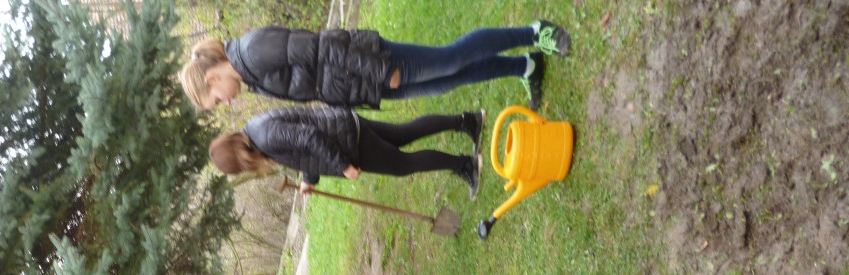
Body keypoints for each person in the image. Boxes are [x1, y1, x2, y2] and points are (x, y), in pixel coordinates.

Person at [180, 23, 571, 113]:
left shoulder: (254, 51)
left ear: (212, 77)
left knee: (451, 58)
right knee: (447, 81)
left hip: (370, 64)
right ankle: (525, 66)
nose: (226, 103)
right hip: (361, 84)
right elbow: (313, 83)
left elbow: (324, 47)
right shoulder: (250, 77)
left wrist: (381, 71)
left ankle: (534, 32)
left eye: (217, 99)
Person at [208, 106, 484, 199]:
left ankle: (465, 165)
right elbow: (303, 149)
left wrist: (343, 165)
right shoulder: (255, 131)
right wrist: (309, 179)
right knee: (404, 133)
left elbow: (310, 137)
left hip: (348, 143)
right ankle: (468, 121)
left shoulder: (265, 137)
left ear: (240, 160)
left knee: (403, 164)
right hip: (345, 126)